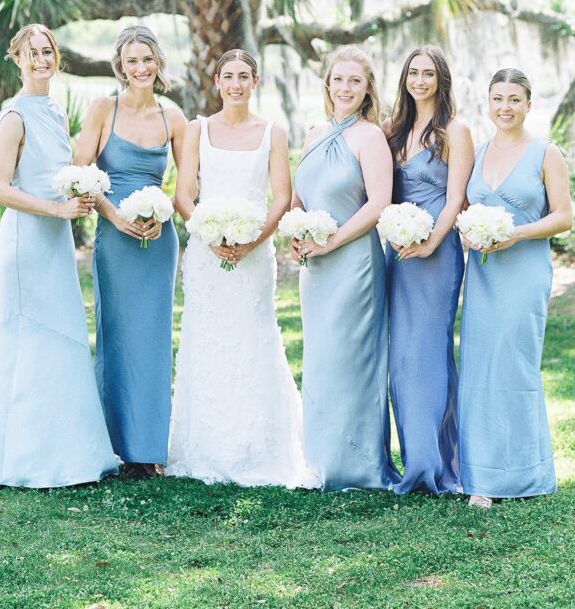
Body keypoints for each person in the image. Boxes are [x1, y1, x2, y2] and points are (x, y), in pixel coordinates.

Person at [166, 49, 315, 488]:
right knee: (205, 340)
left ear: (256, 82)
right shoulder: (198, 129)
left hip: (254, 256)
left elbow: (282, 197)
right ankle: (204, 448)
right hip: (205, 257)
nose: (235, 84)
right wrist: (209, 234)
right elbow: (183, 194)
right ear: (216, 82)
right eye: (228, 76)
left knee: (254, 339)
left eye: (243, 76)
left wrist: (251, 240)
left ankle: (259, 450)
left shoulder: (273, 132)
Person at [0, 24, 118, 488]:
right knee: (31, 337)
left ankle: (69, 452)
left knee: (63, 334)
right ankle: (25, 459)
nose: (41, 60)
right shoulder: (14, 117)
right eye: (32, 53)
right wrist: (56, 208)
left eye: (47, 52)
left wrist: (80, 195)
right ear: (16, 59)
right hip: (27, 241)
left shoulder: (57, 114)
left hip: (56, 240)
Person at [457, 68, 573, 508]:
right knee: (480, 368)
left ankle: (526, 472)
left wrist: (517, 234)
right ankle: (481, 476)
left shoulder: (546, 153)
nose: (505, 107)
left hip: (524, 272)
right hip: (483, 275)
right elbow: (467, 207)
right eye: (498, 99)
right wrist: (469, 233)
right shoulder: (479, 152)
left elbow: (563, 216)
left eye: (514, 100)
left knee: (515, 367)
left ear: (529, 104)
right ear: (488, 103)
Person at [74, 25, 186, 476]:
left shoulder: (173, 118)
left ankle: (149, 450)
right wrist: (113, 215)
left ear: (158, 63)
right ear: (120, 66)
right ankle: (115, 445)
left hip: (159, 243)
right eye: (132, 61)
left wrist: (165, 218)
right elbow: (81, 172)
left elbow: (185, 186)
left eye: (148, 60)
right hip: (113, 239)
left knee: (155, 341)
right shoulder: (104, 109)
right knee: (116, 336)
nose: (140, 68)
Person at [293, 44, 398, 491]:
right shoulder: (315, 134)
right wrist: (298, 231)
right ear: (327, 84)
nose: (345, 88)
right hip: (314, 267)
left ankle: (357, 463)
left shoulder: (370, 137)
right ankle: (319, 458)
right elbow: (302, 194)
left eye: (355, 81)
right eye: (338, 79)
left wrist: (331, 240)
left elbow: (378, 204)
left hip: (354, 263)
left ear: (367, 88)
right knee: (320, 356)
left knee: (350, 357)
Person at [383, 45, 473, 495]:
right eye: (413, 73)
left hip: (436, 255)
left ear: (442, 79)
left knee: (430, 352)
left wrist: (430, 242)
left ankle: (439, 464)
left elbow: (456, 197)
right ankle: (415, 458)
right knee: (400, 357)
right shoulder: (394, 130)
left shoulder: (456, 131)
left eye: (428, 73)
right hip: (397, 254)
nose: (420, 81)